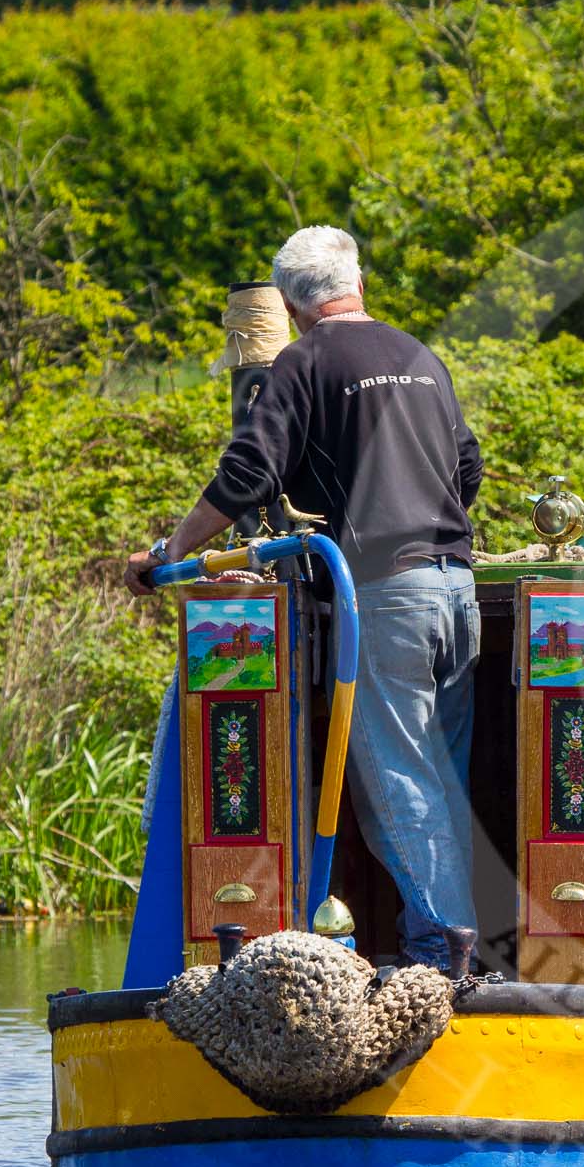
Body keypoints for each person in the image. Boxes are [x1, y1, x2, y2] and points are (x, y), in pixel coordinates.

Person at [123, 225, 484, 973]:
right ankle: (456, 944)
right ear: (359, 283)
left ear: (290, 305)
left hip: (386, 598)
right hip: (459, 591)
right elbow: (468, 466)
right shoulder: (420, 356)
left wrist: (171, 551)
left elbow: (247, 473)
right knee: (443, 783)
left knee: (398, 787)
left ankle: (440, 955)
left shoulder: (304, 360)